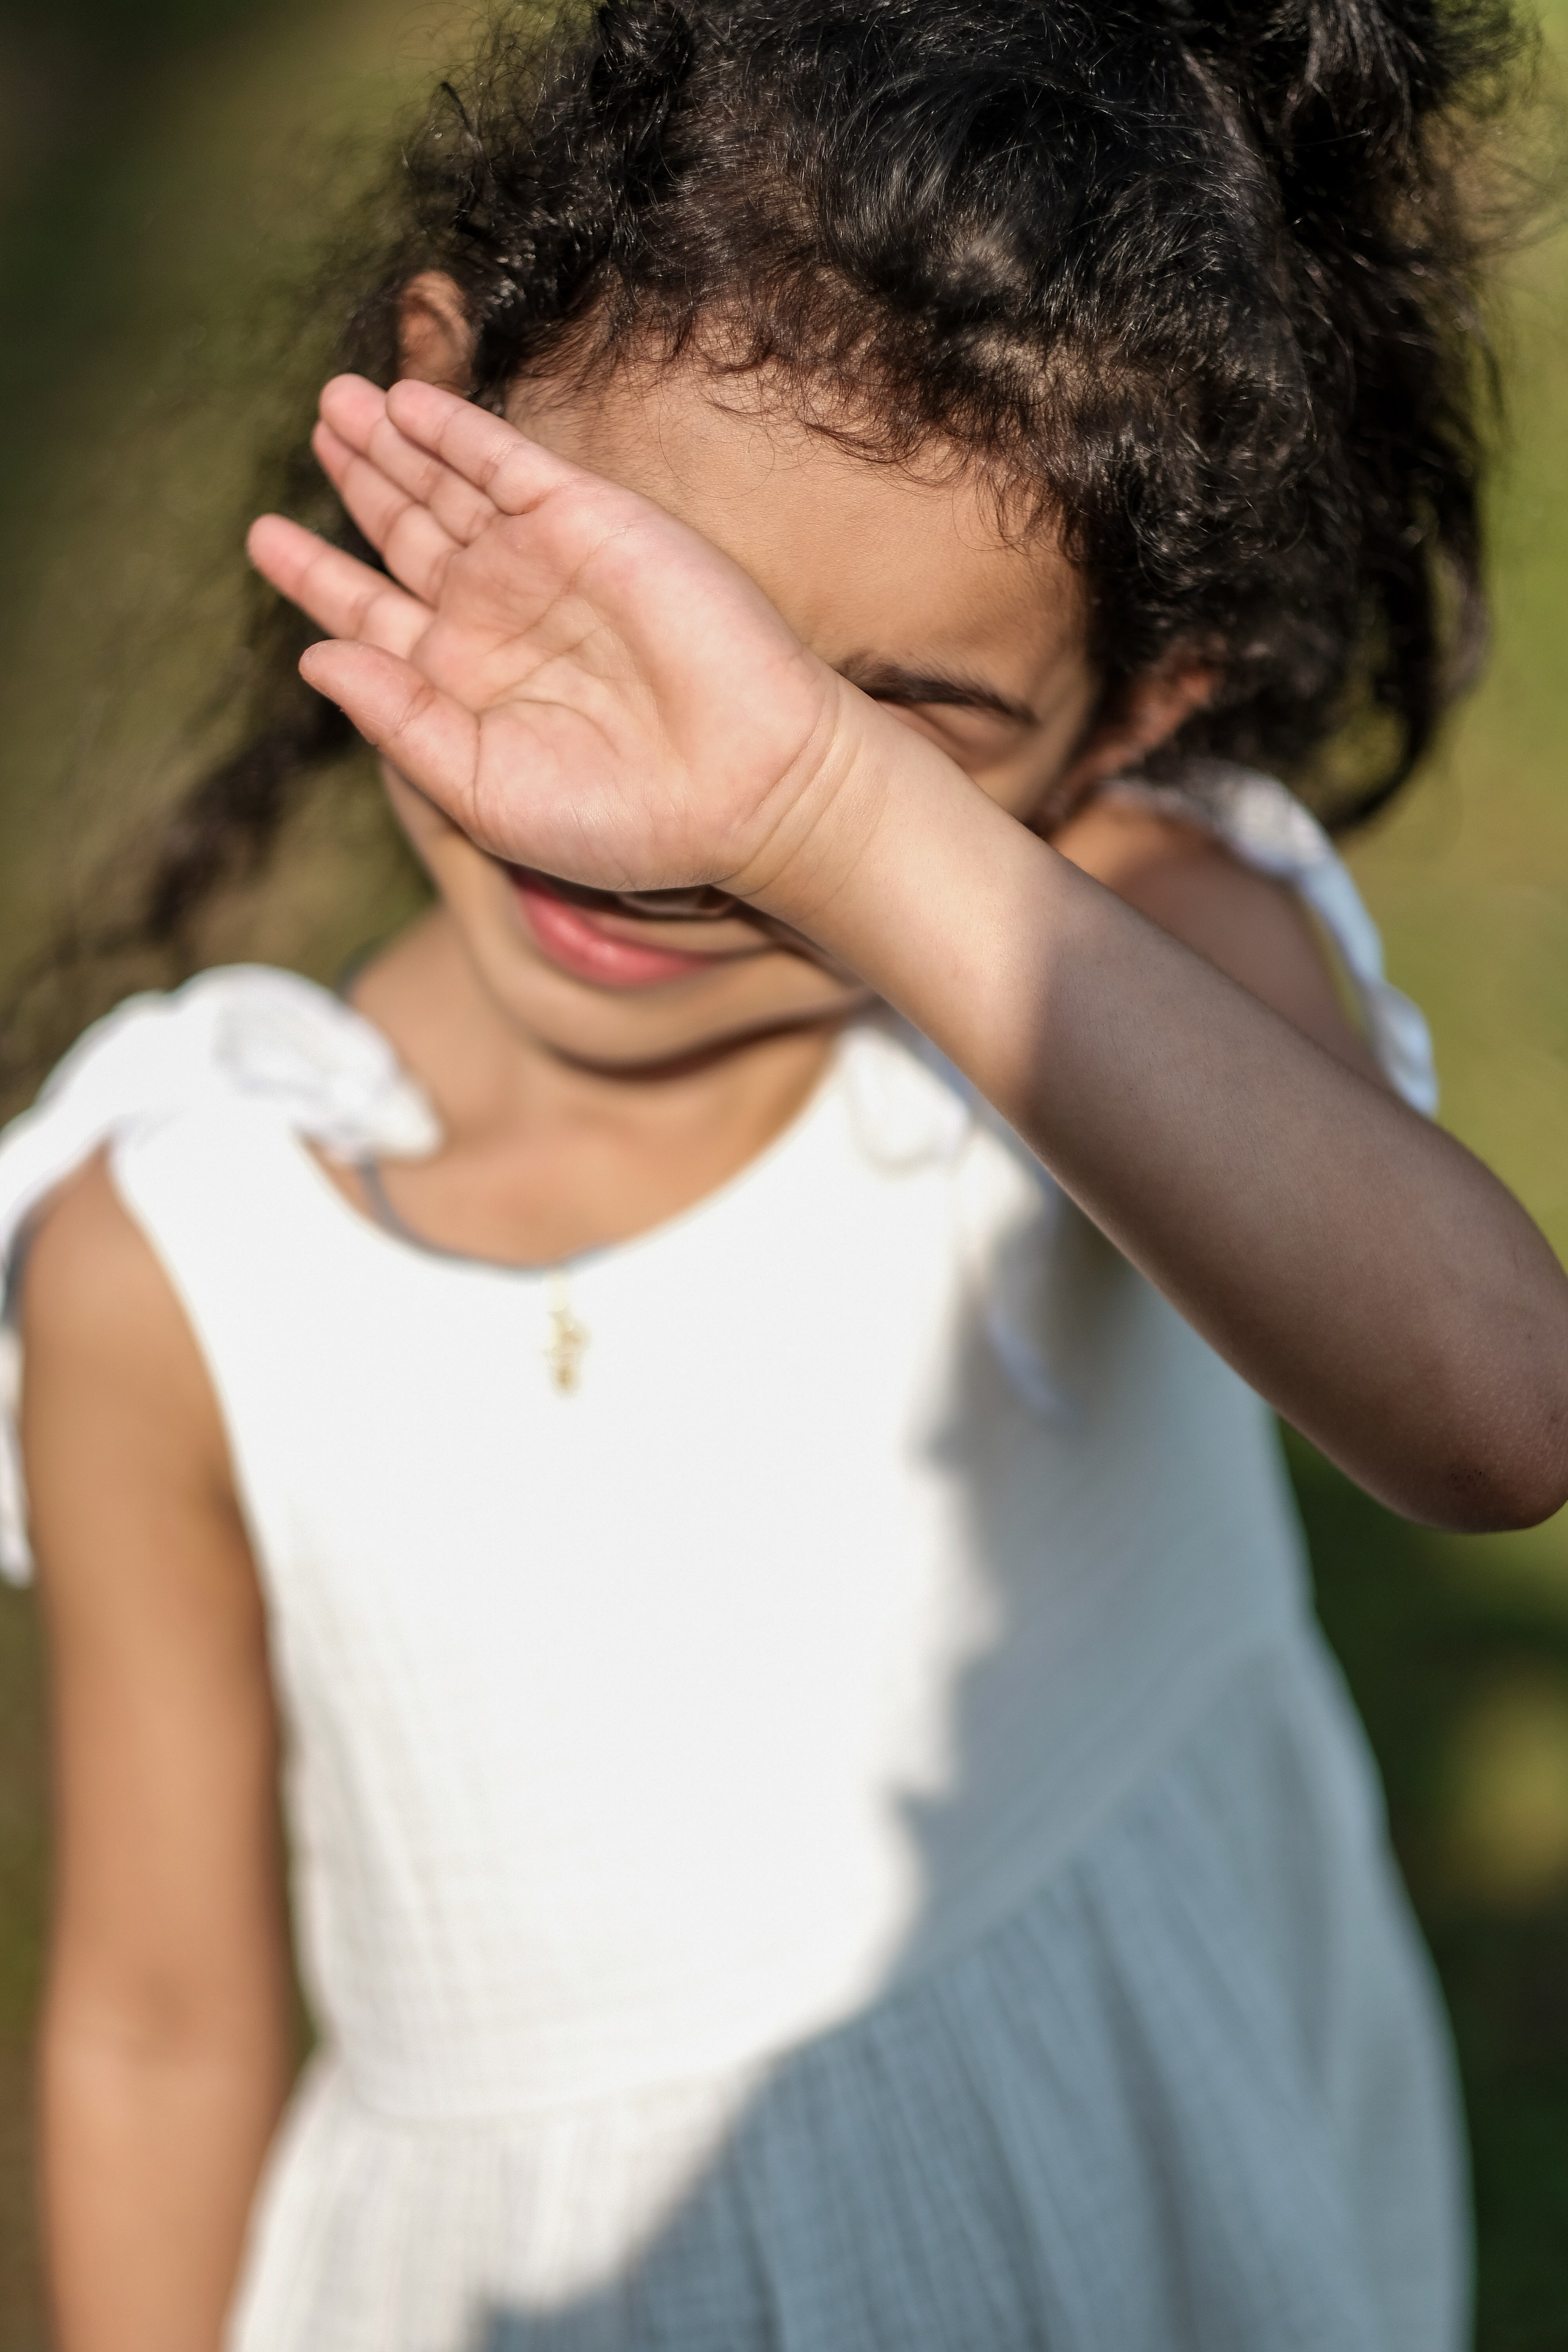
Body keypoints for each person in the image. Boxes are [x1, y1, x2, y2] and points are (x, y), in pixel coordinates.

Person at [6, 0, 1567, 2343]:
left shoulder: (1113, 986)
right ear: (429, 423)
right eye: (626, 617)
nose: (676, 806)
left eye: (868, 730)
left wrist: (843, 833)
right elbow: (153, 2018)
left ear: (1136, 716)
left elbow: (1494, 1410)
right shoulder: (188, 1245)